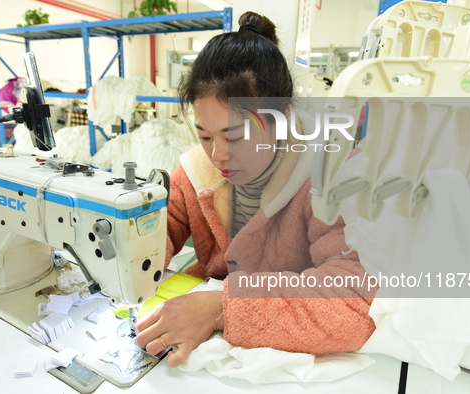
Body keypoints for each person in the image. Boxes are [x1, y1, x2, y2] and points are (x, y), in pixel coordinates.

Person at [135, 11, 376, 368]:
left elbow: (353, 301)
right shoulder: (196, 174)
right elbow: (158, 231)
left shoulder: (327, 176)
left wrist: (224, 309)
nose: (218, 155)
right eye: (204, 136)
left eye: (235, 136)